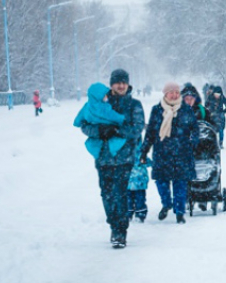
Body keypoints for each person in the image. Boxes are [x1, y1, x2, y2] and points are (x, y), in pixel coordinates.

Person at [74, 69, 145, 249]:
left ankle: (120, 231)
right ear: (111, 84)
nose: (121, 86)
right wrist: (99, 131)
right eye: (117, 82)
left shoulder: (134, 105)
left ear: (128, 84)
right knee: (106, 194)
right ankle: (113, 223)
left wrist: (116, 130)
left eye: (124, 82)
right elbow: (85, 124)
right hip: (103, 157)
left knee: (120, 193)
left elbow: (137, 129)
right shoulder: (100, 102)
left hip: (124, 157)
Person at [140, 81, 199, 224]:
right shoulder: (157, 110)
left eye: (177, 92)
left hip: (182, 151)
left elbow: (195, 129)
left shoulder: (186, 109)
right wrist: (144, 151)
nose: (174, 95)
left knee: (180, 183)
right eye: (171, 92)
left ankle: (179, 212)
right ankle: (166, 203)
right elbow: (150, 133)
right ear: (165, 94)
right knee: (161, 182)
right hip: (162, 152)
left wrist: (193, 143)